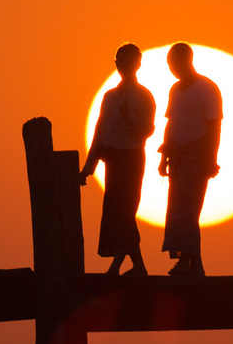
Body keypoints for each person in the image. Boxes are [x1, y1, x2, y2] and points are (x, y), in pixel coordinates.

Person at [81, 43, 156, 277]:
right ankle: (129, 266)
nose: (124, 66)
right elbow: (99, 132)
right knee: (115, 213)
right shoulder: (109, 96)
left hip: (132, 159)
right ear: (116, 64)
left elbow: (148, 131)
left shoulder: (143, 96)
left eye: (129, 61)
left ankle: (133, 267)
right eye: (120, 61)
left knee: (125, 211)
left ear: (138, 64)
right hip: (112, 161)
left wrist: (129, 117)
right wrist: (88, 166)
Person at [158, 42, 222, 278]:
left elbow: (215, 126)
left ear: (187, 60)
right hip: (177, 156)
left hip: (197, 155)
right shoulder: (174, 90)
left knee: (188, 208)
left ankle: (189, 262)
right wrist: (163, 157)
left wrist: (210, 159)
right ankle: (192, 262)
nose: (172, 68)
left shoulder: (206, 88)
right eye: (169, 64)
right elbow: (171, 123)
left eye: (175, 63)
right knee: (177, 210)